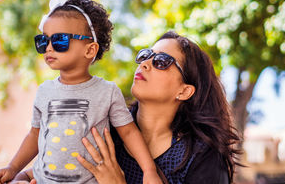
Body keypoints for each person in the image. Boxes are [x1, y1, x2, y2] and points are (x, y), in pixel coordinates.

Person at [0, 0, 162, 184]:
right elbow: (34, 134)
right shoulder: (44, 91)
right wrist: (13, 168)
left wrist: (149, 171)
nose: (48, 47)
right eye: (43, 40)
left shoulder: (107, 92)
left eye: (59, 41)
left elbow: (129, 132)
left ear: (89, 50)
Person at [77, 31, 241, 184]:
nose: (145, 64)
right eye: (145, 55)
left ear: (184, 91)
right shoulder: (102, 128)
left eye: (161, 62)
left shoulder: (203, 158)